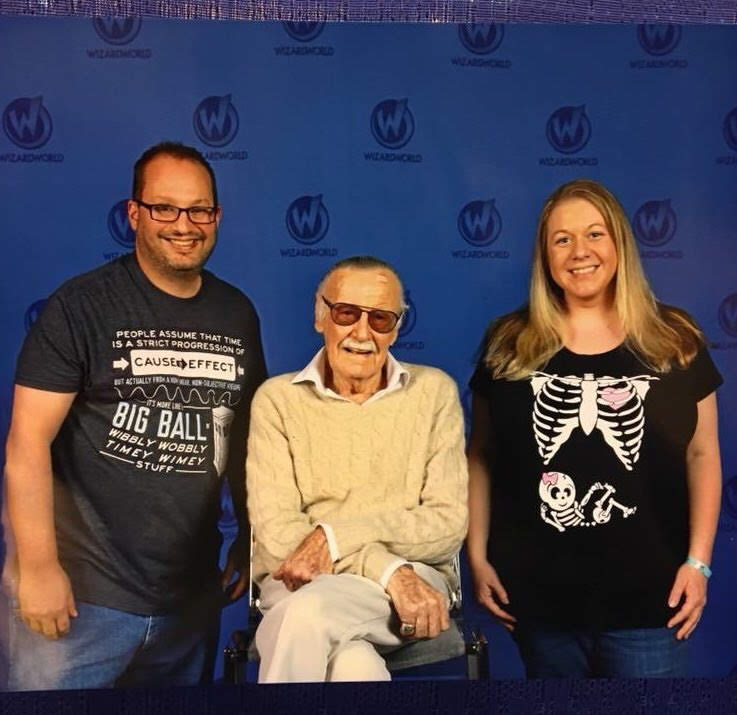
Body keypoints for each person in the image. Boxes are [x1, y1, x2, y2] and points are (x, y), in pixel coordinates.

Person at [3, 141, 267, 690]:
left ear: (216, 216)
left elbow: (246, 440)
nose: (183, 224)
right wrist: (38, 567)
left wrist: (249, 536)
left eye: (199, 209)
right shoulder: (81, 306)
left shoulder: (236, 312)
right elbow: (26, 444)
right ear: (134, 213)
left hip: (190, 603)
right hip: (81, 597)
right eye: (164, 208)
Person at [466, 179, 722, 678]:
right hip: (540, 606)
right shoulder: (509, 343)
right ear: (545, 255)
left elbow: (703, 454)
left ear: (619, 243)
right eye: (562, 239)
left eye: (594, 234)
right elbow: (481, 455)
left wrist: (700, 562)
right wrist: (476, 557)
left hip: (651, 602)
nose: (579, 252)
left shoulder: (675, 340)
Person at [246, 256, 468, 683]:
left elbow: (446, 524)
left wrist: (333, 537)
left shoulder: (434, 393)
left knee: (304, 618)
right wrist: (386, 568)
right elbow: (278, 539)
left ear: (398, 327)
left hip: (417, 582)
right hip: (300, 581)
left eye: (381, 319)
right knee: (353, 666)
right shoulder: (277, 401)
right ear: (320, 316)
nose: (362, 333)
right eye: (346, 313)